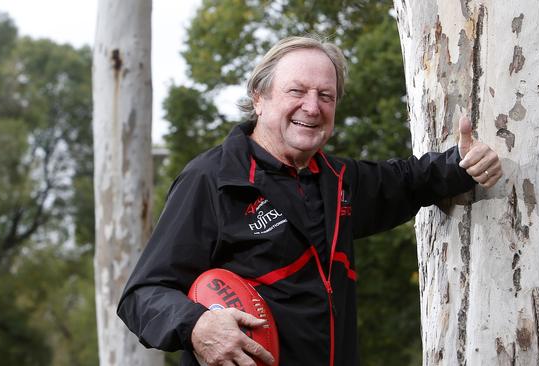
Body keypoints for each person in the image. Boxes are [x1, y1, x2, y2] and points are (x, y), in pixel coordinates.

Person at [117, 35, 502, 366]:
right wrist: (197, 324)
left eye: (326, 96)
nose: (312, 107)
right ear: (260, 98)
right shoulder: (213, 180)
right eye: (297, 91)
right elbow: (142, 295)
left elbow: (408, 180)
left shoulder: (339, 182)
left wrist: (463, 164)